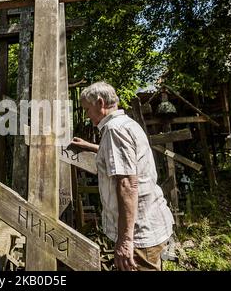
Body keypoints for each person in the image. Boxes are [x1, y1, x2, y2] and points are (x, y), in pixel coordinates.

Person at [71, 81, 174, 271]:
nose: (86, 115)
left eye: (87, 109)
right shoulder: (126, 124)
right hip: (149, 225)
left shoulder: (114, 130)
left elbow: (127, 184)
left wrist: (126, 241)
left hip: (138, 236)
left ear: (100, 103)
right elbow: (125, 157)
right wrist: (91, 146)